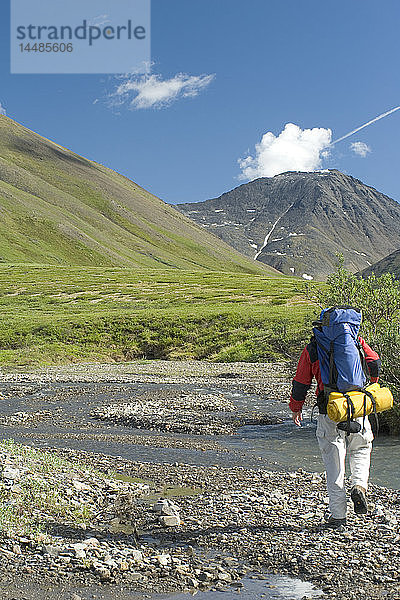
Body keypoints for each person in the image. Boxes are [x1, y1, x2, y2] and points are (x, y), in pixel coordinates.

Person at [289, 307, 381, 529]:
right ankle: (359, 486)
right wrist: (373, 383)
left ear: (322, 325)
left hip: (329, 409)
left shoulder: (313, 347)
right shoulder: (355, 340)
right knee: (361, 449)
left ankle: (338, 515)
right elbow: (374, 361)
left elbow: (301, 381)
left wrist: (296, 407)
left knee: (334, 462)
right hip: (356, 405)